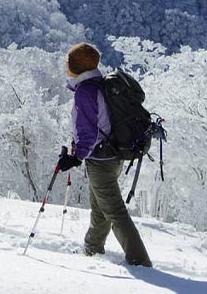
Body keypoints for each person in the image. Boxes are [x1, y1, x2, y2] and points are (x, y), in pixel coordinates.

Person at [56, 42, 152, 267]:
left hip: (101, 160)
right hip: (111, 157)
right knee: (100, 208)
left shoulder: (85, 91)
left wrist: (76, 156)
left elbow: (88, 132)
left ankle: (141, 262)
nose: (66, 66)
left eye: (69, 62)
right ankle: (92, 248)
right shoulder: (99, 84)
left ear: (77, 67)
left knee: (115, 213)